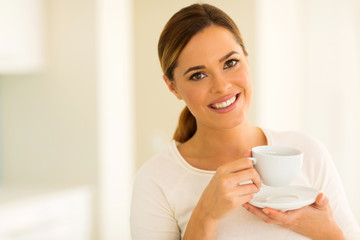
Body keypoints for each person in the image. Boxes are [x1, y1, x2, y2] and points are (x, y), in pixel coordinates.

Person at [130, 3, 360, 240]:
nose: (221, 86)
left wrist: (327, 233)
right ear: (173, 86)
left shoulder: (307, 153)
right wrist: (206, 213)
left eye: (230, 63)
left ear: (246, 59)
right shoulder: (156, 180)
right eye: (198, 75)